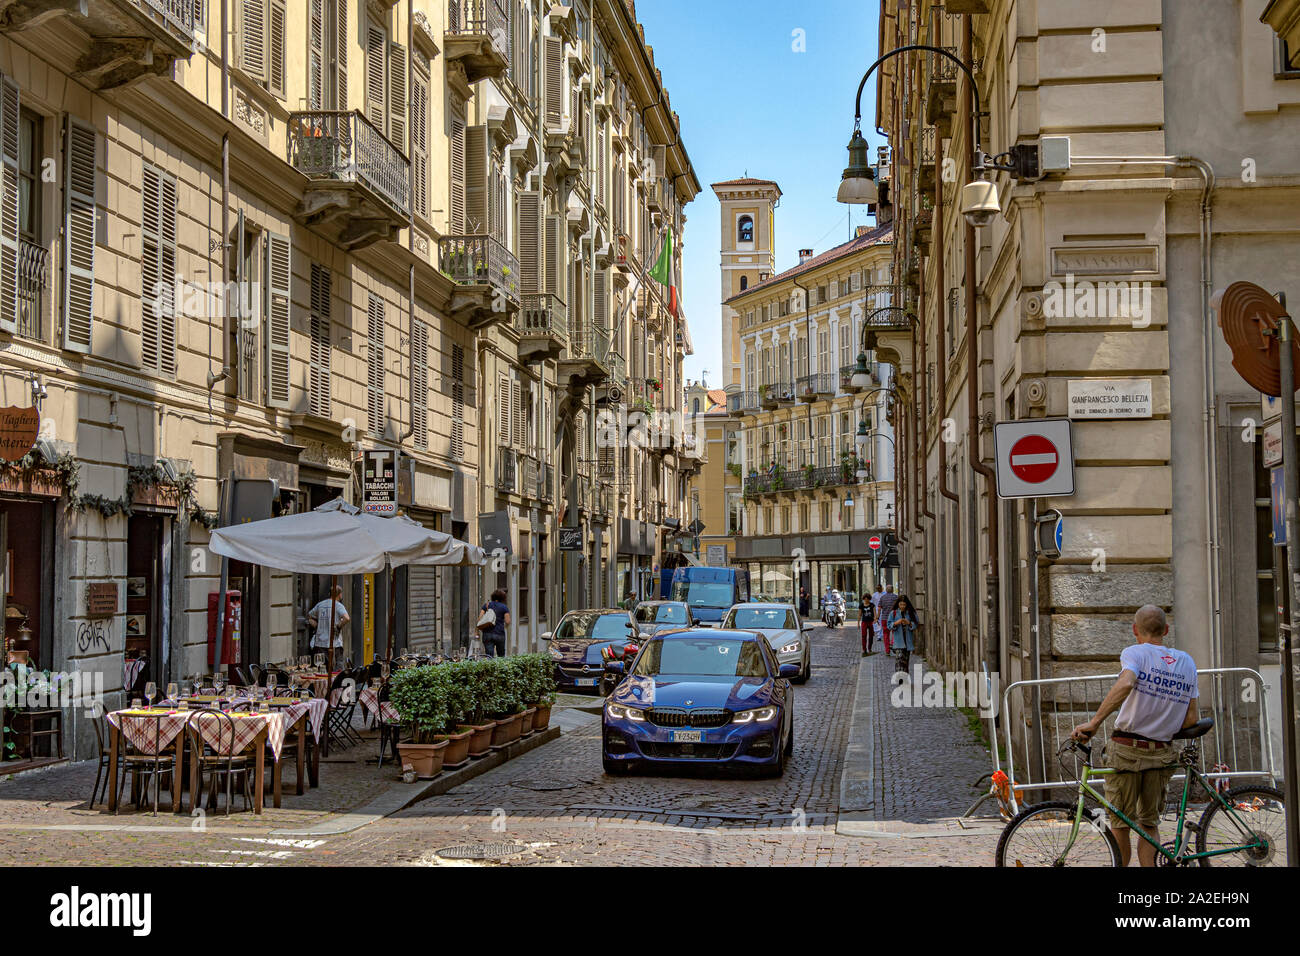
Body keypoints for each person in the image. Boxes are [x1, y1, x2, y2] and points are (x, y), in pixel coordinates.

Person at [1071, 606, 1200, 867]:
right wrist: (1161, 723)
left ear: (1134, 630)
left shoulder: (1134, 653)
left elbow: (1127, 682)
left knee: (1120, 822)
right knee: (1149, 822)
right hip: (1161, 752)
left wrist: (1095, 722)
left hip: (1127, 750)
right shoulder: (1186, 662)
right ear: (1165, 630)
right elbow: (1191, 719)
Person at [308, 586, 351, 654]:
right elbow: (347, 618)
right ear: (339, 594)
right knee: (337, 664)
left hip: (320, 643)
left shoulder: (320, 604)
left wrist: (316, 626)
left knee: (321, 663)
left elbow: (309, 616)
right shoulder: (338, 605)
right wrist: (338, 626)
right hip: (335, 643)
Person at [888, 596, 919, 668]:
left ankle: (905, 678)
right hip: (898, 642)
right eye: (901, 604)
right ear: (898, 604)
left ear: (907, 604)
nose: (902, 606)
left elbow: (916, 624)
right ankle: (899, 678)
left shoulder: (911, 613)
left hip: (907, 642)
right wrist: (896, 623)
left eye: (904, 605)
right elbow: (889, 625)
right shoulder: (893, 613)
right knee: (899, 664)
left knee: (905, 664)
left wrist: (909, 623)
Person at [479, 589, 511, 658]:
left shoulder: (486, 605)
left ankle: (490, 668)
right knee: (501, 655)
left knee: (489, 656)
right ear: (503, 598)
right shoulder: (504, 607)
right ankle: (500, 668)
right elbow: (508, 621)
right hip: (499, 633)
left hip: (487, 633)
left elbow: (480, 619)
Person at [877, 585, 898, 654]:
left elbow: (879, 609)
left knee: (886, 634)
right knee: (895, 632)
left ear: (886, 590)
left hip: (884, 618)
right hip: (894, 618)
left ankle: (887, 651)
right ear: (893, 590)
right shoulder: (896, 597)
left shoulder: (882, 597)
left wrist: (877, 617)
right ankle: (892, 643)